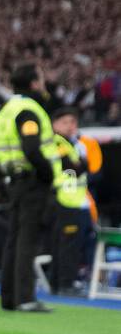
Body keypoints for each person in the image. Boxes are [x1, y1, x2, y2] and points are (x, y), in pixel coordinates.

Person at [0, 64, 58, 312]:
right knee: (27, 240)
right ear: (33, 83)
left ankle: (9, 298)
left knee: (14, 239)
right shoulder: (29, 110)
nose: (44, 83)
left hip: (15, 179)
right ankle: (26, 298)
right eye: (41, 79)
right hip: (32, 181)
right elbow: (31, 148)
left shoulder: (7, 110)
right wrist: (48, 172)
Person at [49, 108, 92, 295]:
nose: (70, 126)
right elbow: (73, 168)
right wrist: (80, 164)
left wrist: (80, 164)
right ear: (54, 124)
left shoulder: (73, 143)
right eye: (65, 122)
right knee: (66, 245)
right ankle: (64, 284)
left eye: (73, 122)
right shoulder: (57, 142)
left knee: (68, 244)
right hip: (64, 199)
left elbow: (84, 167)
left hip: (75, 200)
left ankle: (60, 283)